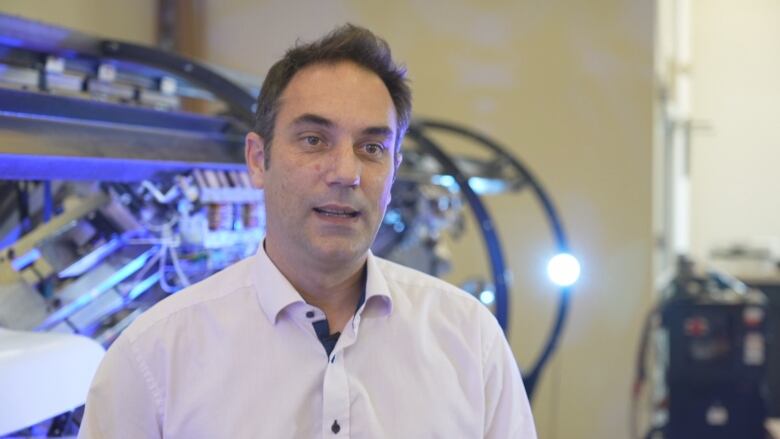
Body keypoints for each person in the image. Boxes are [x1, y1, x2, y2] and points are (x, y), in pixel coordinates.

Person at [79, 24, 537, 438]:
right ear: (258, 160)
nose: (345, 172)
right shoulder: (154, 356)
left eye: (372, 147)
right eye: (314, 140)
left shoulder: (470, 340)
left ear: (394, 170)